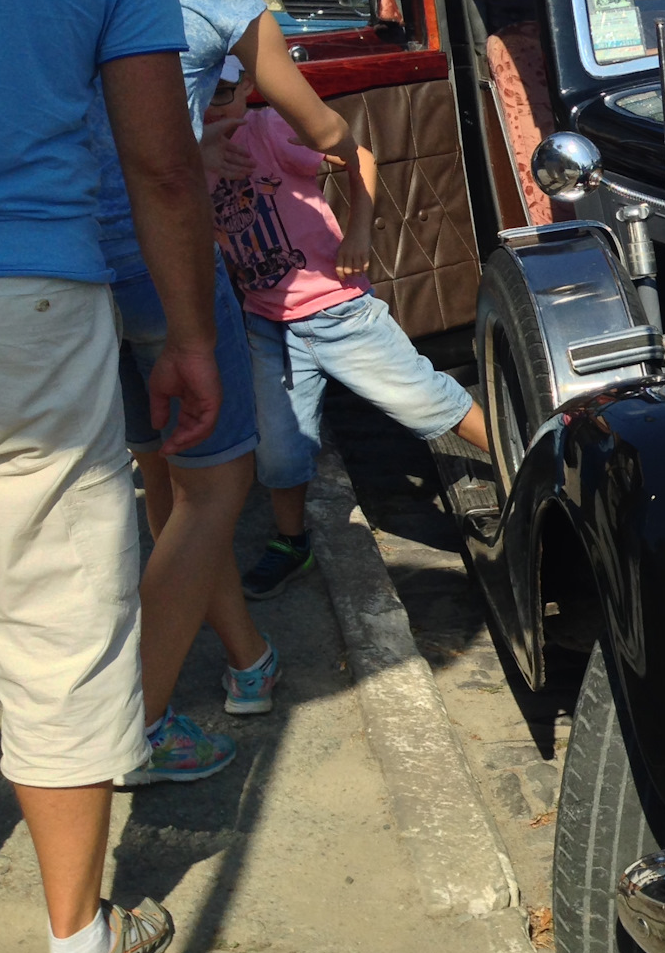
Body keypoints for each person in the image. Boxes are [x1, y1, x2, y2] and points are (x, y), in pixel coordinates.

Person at [0, 0, 220, 953]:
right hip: (30, 300)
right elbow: (162, 163)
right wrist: (182, 334)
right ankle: (77, 943)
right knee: (56, 611)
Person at [101, 0, 368, 775]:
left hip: (78, 257)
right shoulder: (227, 0)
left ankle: (247, 658)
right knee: (217, 489)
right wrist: (347, 151)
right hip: (165, 261)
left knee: (169, 488)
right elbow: (317, 119)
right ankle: (135, 721)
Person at [206, 79, 490, 595]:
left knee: (429, 403)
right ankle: (292, 542)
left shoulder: (269, 128)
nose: (210, 107)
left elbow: (357, 154)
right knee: (279, 450)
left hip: (341, 314)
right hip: (269, 326)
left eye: (222, 92)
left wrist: (359, 230)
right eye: (199, 93)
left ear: (245, 86)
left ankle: (536, 468)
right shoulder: (190, 157)